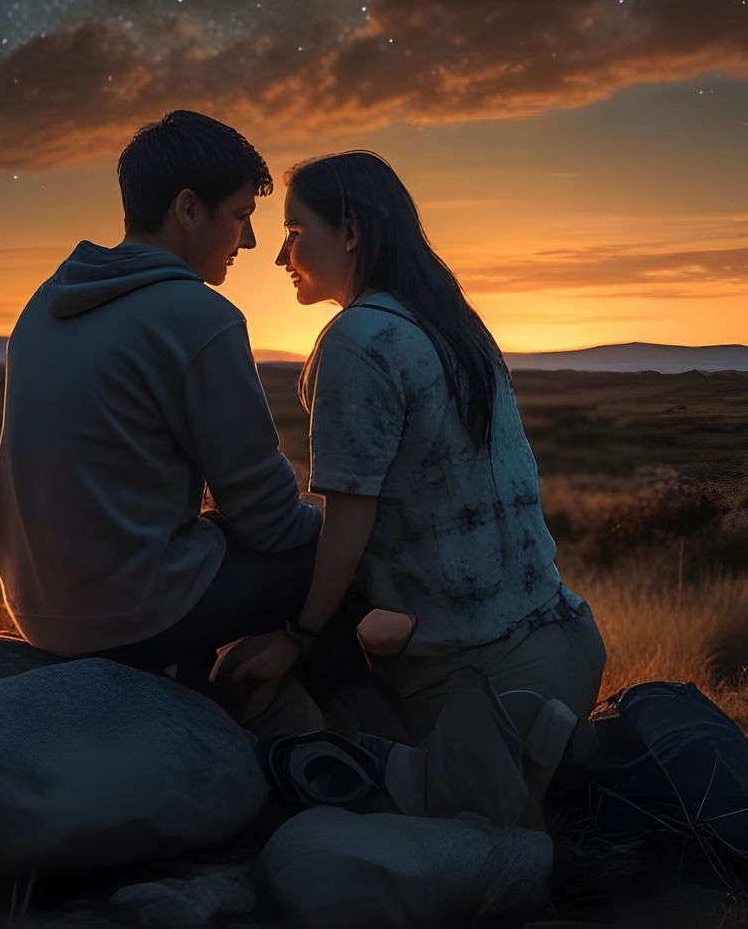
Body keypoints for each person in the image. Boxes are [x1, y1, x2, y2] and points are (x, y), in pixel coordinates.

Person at [239, 149, 606, 811]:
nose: (278, 254)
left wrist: (295, 639)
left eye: (295, 232)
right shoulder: (451, 324)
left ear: (350, 232)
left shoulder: (358, 338)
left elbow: (349, 526)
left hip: (485, 682)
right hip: (564, 643)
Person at [0, 109, 322, 720]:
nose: (246, 241)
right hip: (129, 613)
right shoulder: (197, 316)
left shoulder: (46, 302)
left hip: (33, 608)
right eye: (241, 216)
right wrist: (330, 532)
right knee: (340, 553)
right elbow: (267, 521)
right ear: (188, 209)